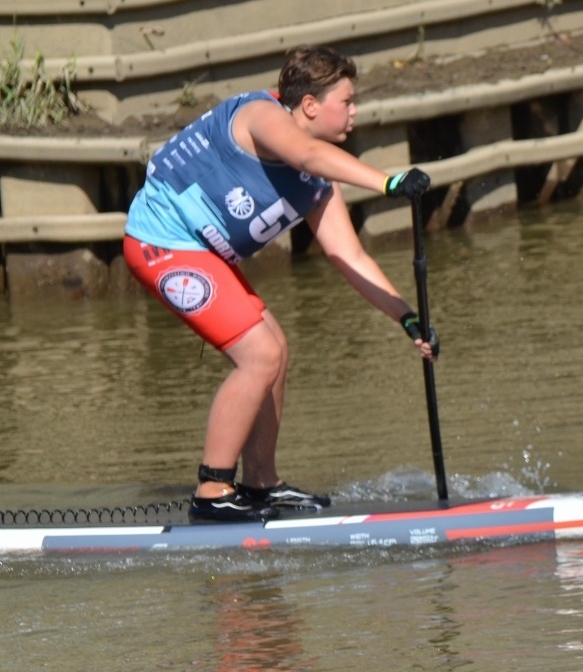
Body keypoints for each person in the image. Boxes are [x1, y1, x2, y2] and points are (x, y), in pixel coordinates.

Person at [123, 46, 438, 522]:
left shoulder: (315, 181)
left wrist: (407, 316)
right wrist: (390, 183)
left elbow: (348, 254)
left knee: (276, 347)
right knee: (259, 354)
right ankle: (211, 490)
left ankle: (260, 484)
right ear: (309, 104)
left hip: (205, 253)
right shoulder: (261, 115)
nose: (355, 112)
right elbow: (308, 150)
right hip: (160, 242)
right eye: (346, 101)